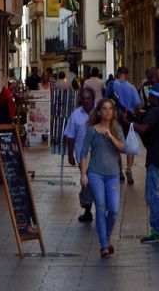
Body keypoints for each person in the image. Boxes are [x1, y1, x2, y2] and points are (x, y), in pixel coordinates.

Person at [79, 98, 125, 258]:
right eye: (104, 109)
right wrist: (83, 173)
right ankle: (104, 245)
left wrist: (111, 136)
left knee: (113, 210)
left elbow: (123, 147)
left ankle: (106, 237)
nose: (107, 112)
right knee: (100, 207)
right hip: (95, 173)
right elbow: (83, 152)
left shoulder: (116, 128)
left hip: (113, 174)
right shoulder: (92, 130)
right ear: (99, 112)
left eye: (110, 109)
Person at [133, 83, 159, 243]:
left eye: (151, 96)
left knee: (153, 195)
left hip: (156, 160)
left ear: (156, 98)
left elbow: (143, 129)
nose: (149, 98)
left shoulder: (155, 111)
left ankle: (157, 230)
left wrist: (129, 124)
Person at [63, 84, 96, 223]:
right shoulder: (76, 114)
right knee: (86, 182)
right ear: (80, 100)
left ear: (93, 99)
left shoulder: (100, 112)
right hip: (83, 156)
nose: (86, 101)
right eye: (84, 98)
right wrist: (70, 154)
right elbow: (70, 136)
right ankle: (88, 210)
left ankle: (101, 208)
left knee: (98, 181)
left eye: (89, 98)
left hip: (99, 154)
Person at [110, 66, 141, 185]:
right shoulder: (132, 87)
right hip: (129, 119)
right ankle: (129, 168)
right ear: (126, 75)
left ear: (118, 74)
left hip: (116, 119)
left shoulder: (113, 85)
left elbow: (108, 99)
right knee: (130, 142)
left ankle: (120, 172)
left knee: (117, 144)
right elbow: (137, 104)